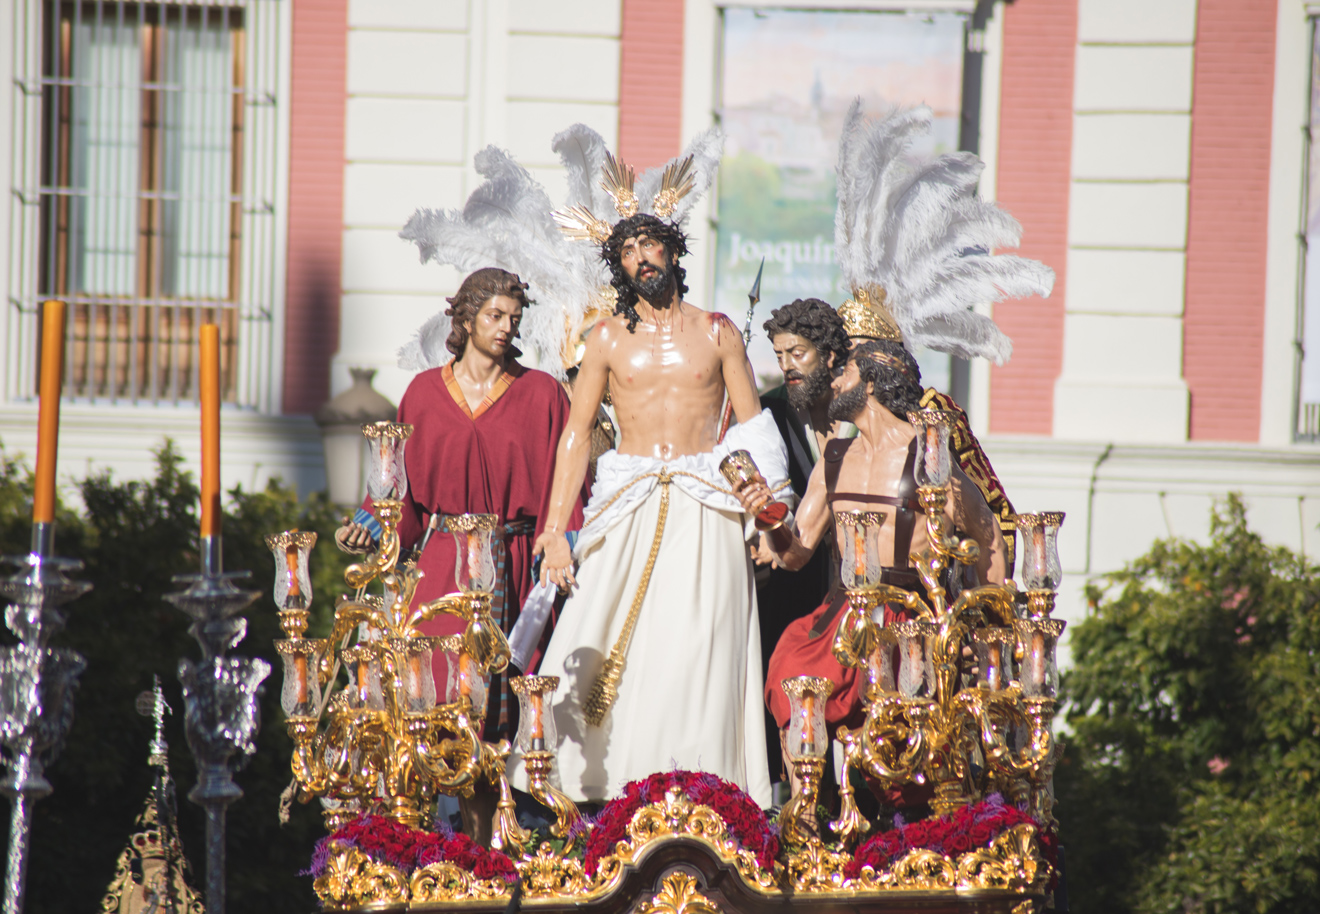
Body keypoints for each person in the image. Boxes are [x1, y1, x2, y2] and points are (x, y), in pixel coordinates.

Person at [512, 213, 787, 807]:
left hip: (706, 502)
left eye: (650, 244)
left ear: (672, 251)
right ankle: (592, 786)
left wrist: (769, 508)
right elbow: (577, 434)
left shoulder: (718, 333)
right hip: (627, 497)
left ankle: (702, 789)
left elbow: (755, 429)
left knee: (698, 644)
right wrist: (555, 530)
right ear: (621, 264)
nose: (642, 257)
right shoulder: (607, 339)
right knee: (601, 631)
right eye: (630, 249)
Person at [733, 339, 1006, 812]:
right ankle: (807, 814)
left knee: (905, 735)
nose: (835, 381)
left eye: (847, 374)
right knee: (791, 669)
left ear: (873, 383)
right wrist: (769, 518)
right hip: (842, 616)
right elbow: (795, 554)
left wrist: (985, 627)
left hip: (909, 617)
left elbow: (990, 537)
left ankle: (906, 826)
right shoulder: (836, 457)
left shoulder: (929, 457)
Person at [335, 267, 584, 742]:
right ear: (467, 320)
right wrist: (371, 523)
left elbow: (568, 486)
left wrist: (564, 545)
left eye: (514, 318)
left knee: (505, 727)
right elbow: (399, 492)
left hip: (513, 566)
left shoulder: (543, 394)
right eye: (495, 315)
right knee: (436, 717)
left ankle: (502, 817)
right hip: (442, 571)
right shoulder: (424, 394)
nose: (507, 327)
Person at [755, 298, 853, 786]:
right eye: (778, 355)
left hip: (853, 579)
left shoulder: (858, 410)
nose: (786, 366)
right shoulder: (769, 413)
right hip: (792, 582)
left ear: (830, 354)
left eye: (797, 353)